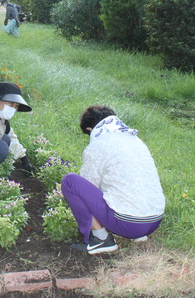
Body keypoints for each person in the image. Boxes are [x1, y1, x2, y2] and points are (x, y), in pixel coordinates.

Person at [61, 105, 165, 254]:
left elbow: (89, 187)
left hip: (129, 223)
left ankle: (101, 239)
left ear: (90, 129)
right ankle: (138, 236)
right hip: (154, 220)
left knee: (70, 182)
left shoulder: (98, 145)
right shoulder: (135, 140)